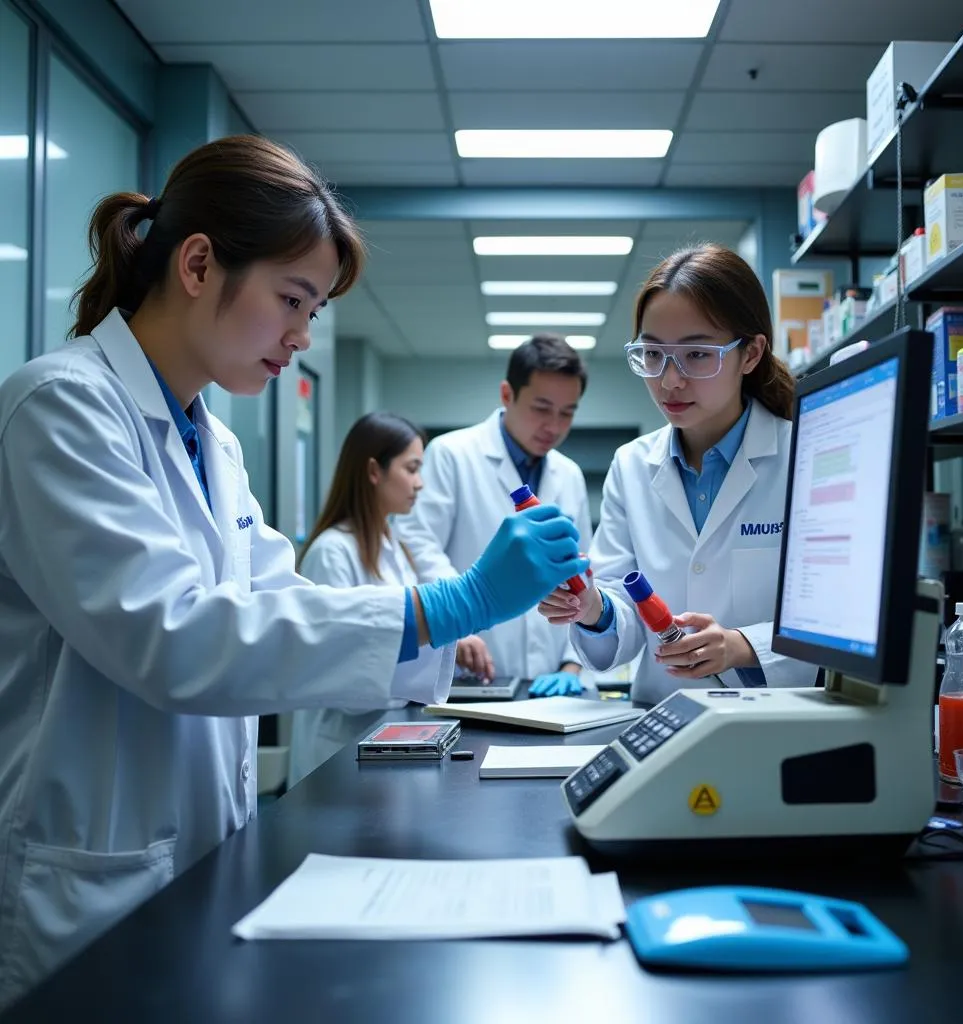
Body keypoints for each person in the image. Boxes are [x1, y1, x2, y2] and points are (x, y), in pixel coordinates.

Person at [0, 135, 587, 1008]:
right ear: (199, 264)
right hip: (89, 874)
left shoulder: (214, 440)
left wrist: (447, 617)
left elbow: (286, 602)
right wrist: (448, 603)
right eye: (293, 299)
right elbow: (175, 635)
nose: (303, 336)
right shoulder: (60, 409)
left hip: (199, 860)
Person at [538, 244, 818, 705]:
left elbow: (835, 617)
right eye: (652, 354)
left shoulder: (804, 456)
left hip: (775, 725)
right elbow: (623, 621)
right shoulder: (631, 465)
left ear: (750, 354)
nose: (669, 380)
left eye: (697, 355)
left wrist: (743, 646)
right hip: (659, 721)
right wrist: (593, 609)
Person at [397, 334, 593, 697]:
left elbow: (581, 575)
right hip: (470, 672)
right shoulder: (452, 455)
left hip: (549, 682)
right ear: (507, 395)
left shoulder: (569, 475)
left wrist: (572, 663)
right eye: (542, 408)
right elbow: (417, 544)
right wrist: (456, 616)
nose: (554, 425)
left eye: (567, 412)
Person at [287, 411, 474, 787]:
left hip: (383, 742)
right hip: (334, 753)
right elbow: (339, 674)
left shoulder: (394, 548)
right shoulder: (332, 552)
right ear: (374, 471)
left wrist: (448, 641)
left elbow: (403, 638)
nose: (420, 484)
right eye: (411, 468)